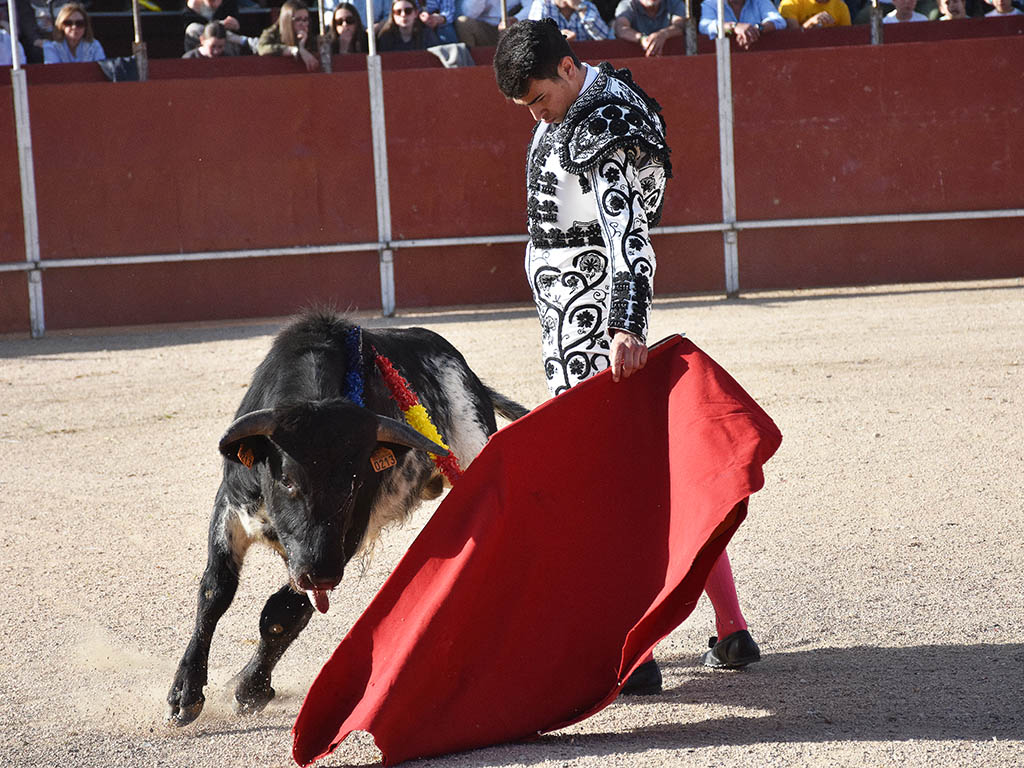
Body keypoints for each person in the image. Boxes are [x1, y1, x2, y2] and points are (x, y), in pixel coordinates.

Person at [493, 19, 761, 694]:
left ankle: (635, 654)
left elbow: (631, 238)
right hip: (571, 322)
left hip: (594, 331)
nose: (535, 112)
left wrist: (627, 327)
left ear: (565, 66)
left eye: (536, 98)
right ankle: (730, 629)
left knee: (610, 489)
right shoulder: (584, 102)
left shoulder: (604, 125)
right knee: (650, 481)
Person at [257, 0, 320, 71]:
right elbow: (262, 48)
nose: (303, 24)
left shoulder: (311, 35)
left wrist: (302, 46)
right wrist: (292, 50)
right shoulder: (271, 33)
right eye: (298, 19)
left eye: (305, 19)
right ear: (286, 20)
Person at [612, 0, 687, 56]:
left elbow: (680, 26)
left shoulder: (675, 3)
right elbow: (621, 28)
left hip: (671, 58)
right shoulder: (627, 4)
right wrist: (642, 39)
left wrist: (663, 34)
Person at [698, 0, 785, 47]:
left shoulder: (759, 1)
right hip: (723, 61)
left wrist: (756, 29)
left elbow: (779, 21)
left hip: (759, 58)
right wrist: (734, 27)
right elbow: (705, 26)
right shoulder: (711, 3)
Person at [184, 0, 255, 56]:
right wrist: (218, 24)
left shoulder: (228, 3)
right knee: (194, 28)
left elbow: (236, 24)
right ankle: (244, 40)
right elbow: (190, 29)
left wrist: (234, 24)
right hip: (203, 43)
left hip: (226, 43)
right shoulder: (193, 6)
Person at [527, 0, 612, 40]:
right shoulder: (542, 5)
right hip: (553, 63)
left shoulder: (587, 6)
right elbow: (535, 38)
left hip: (584, 63)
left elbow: (605, 38)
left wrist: (579, 8)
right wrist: (558, 37)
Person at [376, 0, 441, 50]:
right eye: (398, 12)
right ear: (393, 15)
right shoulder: (385, 37)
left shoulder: (427, 35)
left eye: (408, 11)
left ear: (416, 13)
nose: (403, 15)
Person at [778, 0, 852, 26]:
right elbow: (791, 39)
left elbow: (846, 38)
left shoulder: (840, 6)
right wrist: (810, 24)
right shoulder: (790, 2)